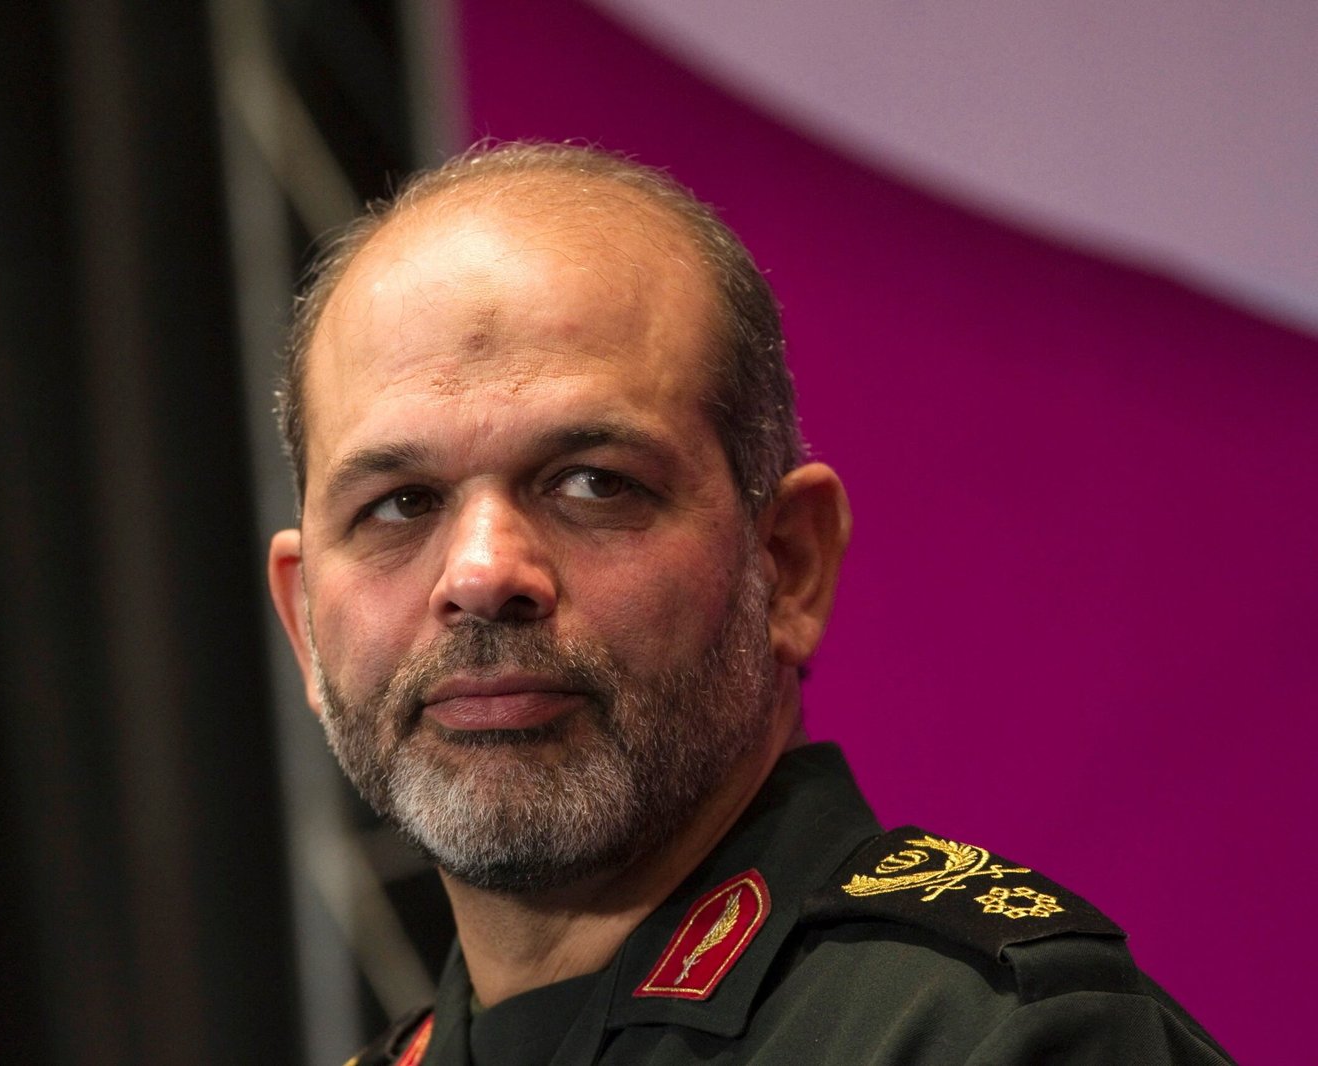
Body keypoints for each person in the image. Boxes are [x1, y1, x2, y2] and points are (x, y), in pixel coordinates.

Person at [265, 142, 1231, 1065]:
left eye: (594, 483)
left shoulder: (1003, 1044)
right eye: (399, 505)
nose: (480, 574)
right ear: (305, 623)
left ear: (789, 564)